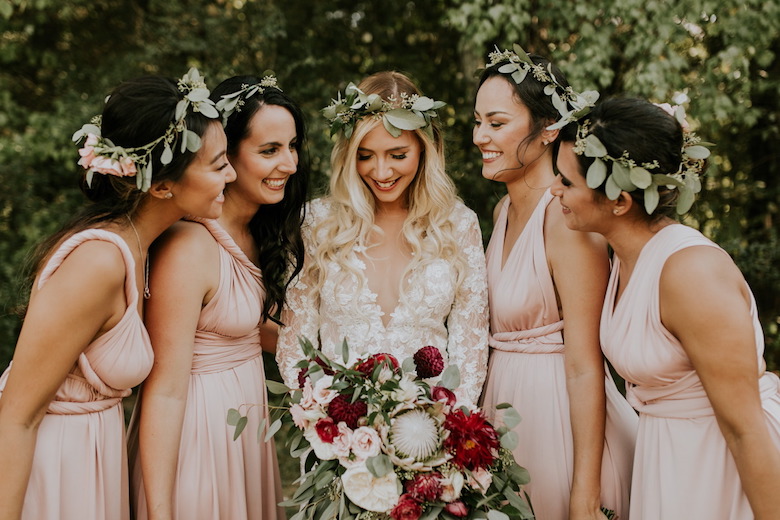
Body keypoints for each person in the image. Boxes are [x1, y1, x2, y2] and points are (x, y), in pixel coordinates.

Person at [0, 68, 235, 520]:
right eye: (218, 163)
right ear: (164, 185)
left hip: (95, 460)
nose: (231, 172)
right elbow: (17, 417)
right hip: (54, 470)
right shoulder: (99, 263)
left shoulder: (144, 247)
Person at [551, 96, 780, 518]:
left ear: (619, 201)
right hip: (666, 459)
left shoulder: (690, 274)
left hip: (720, 465)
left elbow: (744, 429)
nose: (555, 190)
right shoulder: (622, 255)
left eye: (567, 182)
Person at [128, 73, 308, 520]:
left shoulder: (258, 232)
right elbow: (164, 390)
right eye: (269, 151)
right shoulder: (189, 245)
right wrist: (160, 510)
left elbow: (253, 332)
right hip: (197, 435)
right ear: (226, 154)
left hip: (244, 431)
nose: (288, 163)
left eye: (292, 146)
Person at [473, 45, 638, 520]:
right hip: (503, 411)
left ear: (547, 130)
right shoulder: (502, 210)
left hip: (555, 420)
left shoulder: (567, 219)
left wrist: (583, 493)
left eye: (497, 123)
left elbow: (587, 364)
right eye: (478, 120)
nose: (481, 135)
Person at [276, 71, 488, 405]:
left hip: (432, 440)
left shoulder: (459, 225)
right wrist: (325, 422)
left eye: (398, 155)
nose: (382, 171)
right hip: (337, 438)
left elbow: (470, 351)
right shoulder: (316, 223)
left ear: (424, 148)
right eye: (365, 155)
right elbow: (295, 346)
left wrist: (445, 431)